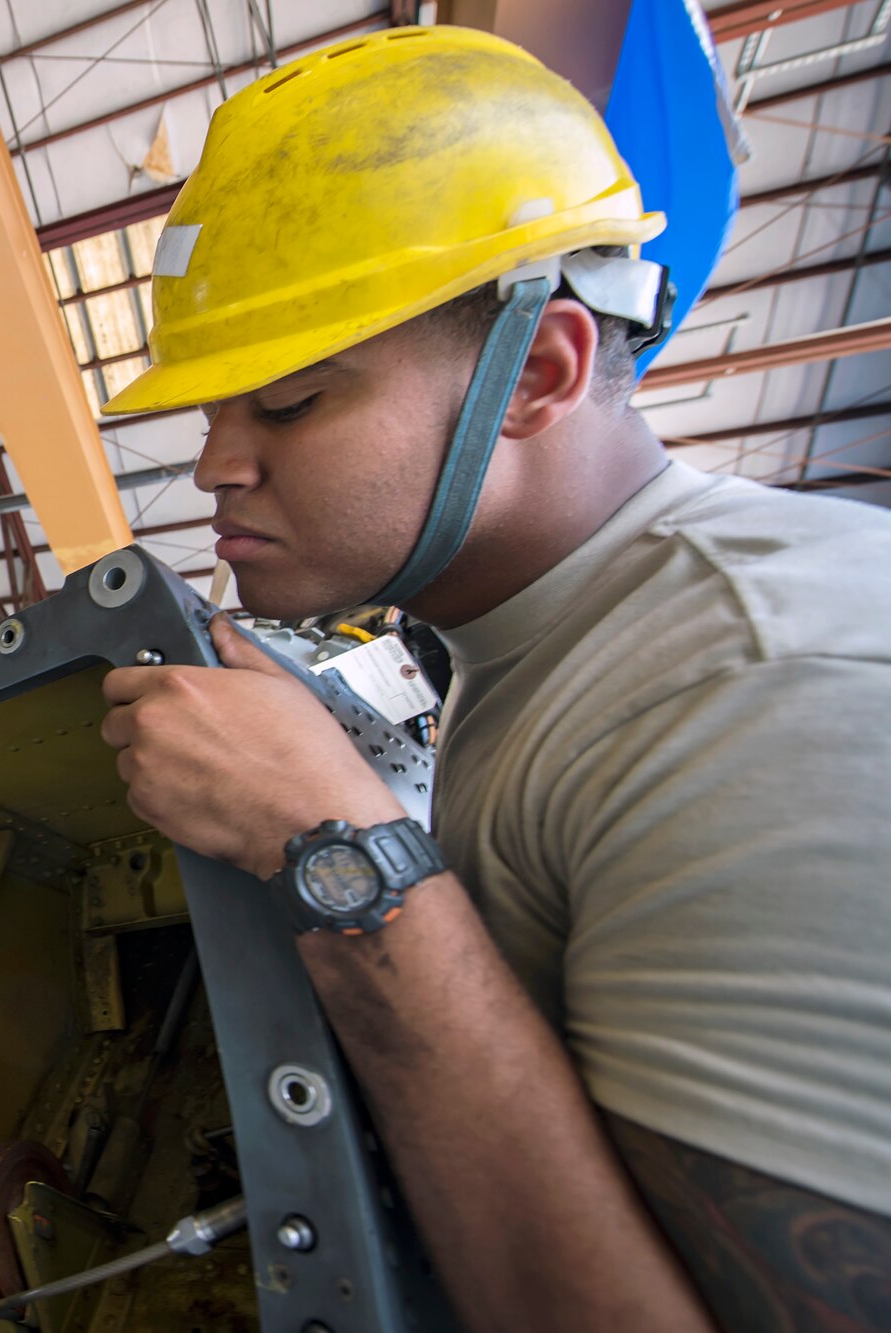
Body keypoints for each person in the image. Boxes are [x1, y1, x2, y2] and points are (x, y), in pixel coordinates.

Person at [95, 26, 891, 1333]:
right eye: (209, 412)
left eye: (287, 401)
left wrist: (334, 848)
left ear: (539, 370)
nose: (214, 467)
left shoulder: (766, 688)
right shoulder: (535, 657)